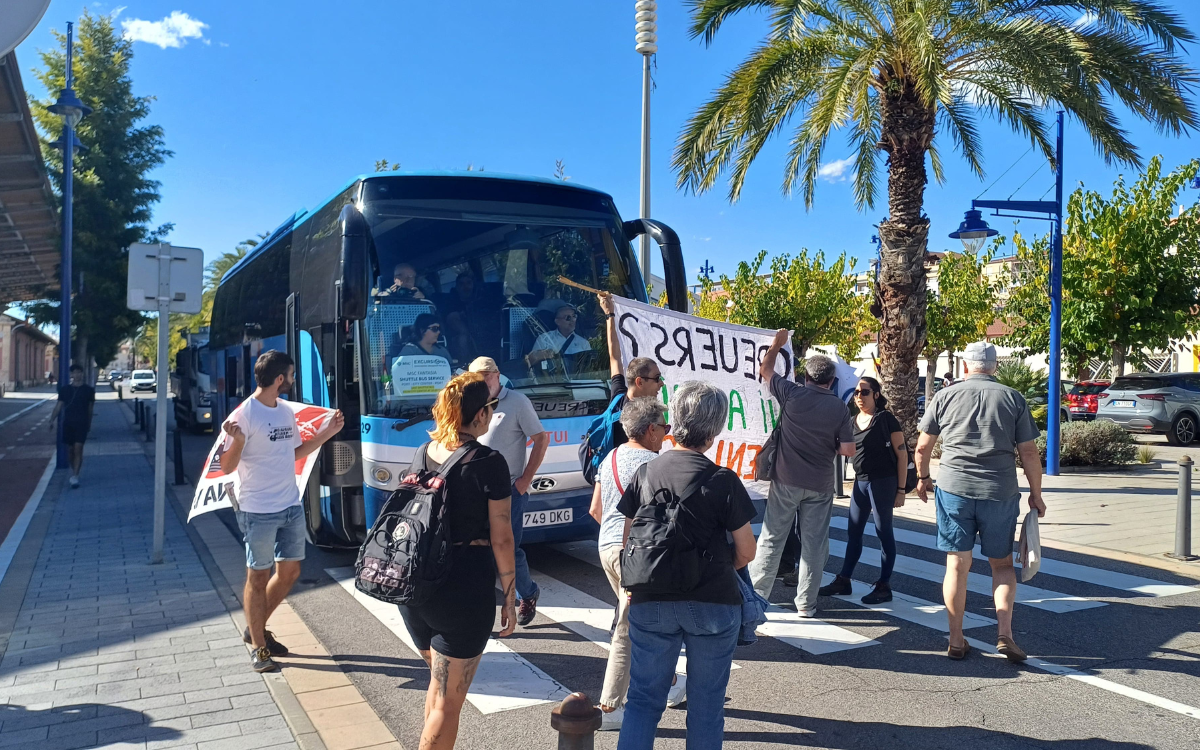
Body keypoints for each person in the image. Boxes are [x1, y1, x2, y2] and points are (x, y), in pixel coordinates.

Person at [616, 381, 757, 750]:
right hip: (711, 599)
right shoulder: (723, 480)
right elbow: (747, 550)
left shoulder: (645, 474)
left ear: (674, 422)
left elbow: (629, 539)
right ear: (714, 431)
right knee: (707, 706)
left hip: (651, 598)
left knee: (644, 701)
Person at [399, 372, 517, 750]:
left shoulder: (423, 453)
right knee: (449, 704)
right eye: (492, 408)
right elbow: (502, 535)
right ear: (481, 414)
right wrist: (511, 594)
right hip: (463, 591)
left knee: (438, 690)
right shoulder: (489, 462)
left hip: (417, 587)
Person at [915, 341, 1045, 662]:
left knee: (957, 566)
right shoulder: (1013, 398)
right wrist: (1036, 495)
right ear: (994, 367)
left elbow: (922, 447)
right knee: (1001, 565)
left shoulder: (944, 396)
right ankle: (1004, 634)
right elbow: (1028, 453)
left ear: (964, 367)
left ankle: (956, 639)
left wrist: (922, 478)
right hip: (999, 491)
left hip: (954, 489)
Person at [218, 350, 345, 673]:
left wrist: (327, 433)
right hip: (257, 510)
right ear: (279, 379)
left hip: (289, 505)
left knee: (289, 574)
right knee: (257, 577)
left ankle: (255, 628)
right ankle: (260, 647)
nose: (292, 380)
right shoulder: (244, 415)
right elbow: (226, 466)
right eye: (290, 375)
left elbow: (293, 454)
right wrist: (238, 441)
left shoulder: (286, 412)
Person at [747, 330, 854, 618]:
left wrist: (776, 345)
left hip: (786, 479)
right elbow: (848, 450)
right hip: (819, 484)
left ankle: (758, 596)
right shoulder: (839, 408)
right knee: (814, 544)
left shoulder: (792, 393)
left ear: (805, 376)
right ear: (832, 381)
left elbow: (765, 370)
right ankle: (806, 603)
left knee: (772, 537)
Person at [587, 397, 671, 731]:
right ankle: (608, 708)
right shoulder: (654, 463)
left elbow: (595, 509)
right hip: (634, 555)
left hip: (607, 548)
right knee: (627, 629)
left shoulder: (611, 456)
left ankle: (672, 683)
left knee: (637, 620)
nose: (667, 434)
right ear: (651, 430)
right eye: (664, 428)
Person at [468, 356, 549, 627]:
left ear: (498, 375)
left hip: (508, 490)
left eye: (487, 376)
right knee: (478, 550)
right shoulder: (470, 402)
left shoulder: (517, 401)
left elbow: (541, 438)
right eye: (477, 377)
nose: (483, 381)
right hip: (475, 491)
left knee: (507, 549)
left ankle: (528, 593)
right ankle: (481, 611)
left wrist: (525, 480)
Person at [818, 377, 907, 604]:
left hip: (883, 482)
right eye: (856, 392)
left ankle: (884, 585)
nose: (859, 396)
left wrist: (900, 490)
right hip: (861, 482)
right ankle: (844, 580)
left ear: (876, 395)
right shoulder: (852, 421)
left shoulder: (886, 419)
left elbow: (902, 454)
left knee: (883, 531)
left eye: (864, 392)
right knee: (854, 532)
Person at [599, 291, 666, 445]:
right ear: (639, 382)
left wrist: (610, 316)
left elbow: (614, 356)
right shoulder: (649, 415)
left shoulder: (618, 398)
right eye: (656, 378)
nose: (661, 384)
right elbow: (614, 356)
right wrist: (609, 315)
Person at [49, 364, 95, 488]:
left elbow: (90, 409)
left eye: (79, 372)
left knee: (78, 448)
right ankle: (73, 468)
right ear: (71, 374)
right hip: (68, 423)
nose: (77, 375)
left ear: (82, 374)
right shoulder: (65, 390)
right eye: (75, 372)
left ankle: (75, 475)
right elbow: (59, 406)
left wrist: (89, 424)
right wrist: (51, 420)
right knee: (70, 450)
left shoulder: (89, 390)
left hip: (82, 423)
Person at [527, 301, 591, 367]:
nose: (572, 320)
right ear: (557, 321)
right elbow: (530, 362)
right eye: (568, 318)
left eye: (574, 316)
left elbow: (589, 367)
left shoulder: (584, 343)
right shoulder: (544, 339)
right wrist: (542, 355)